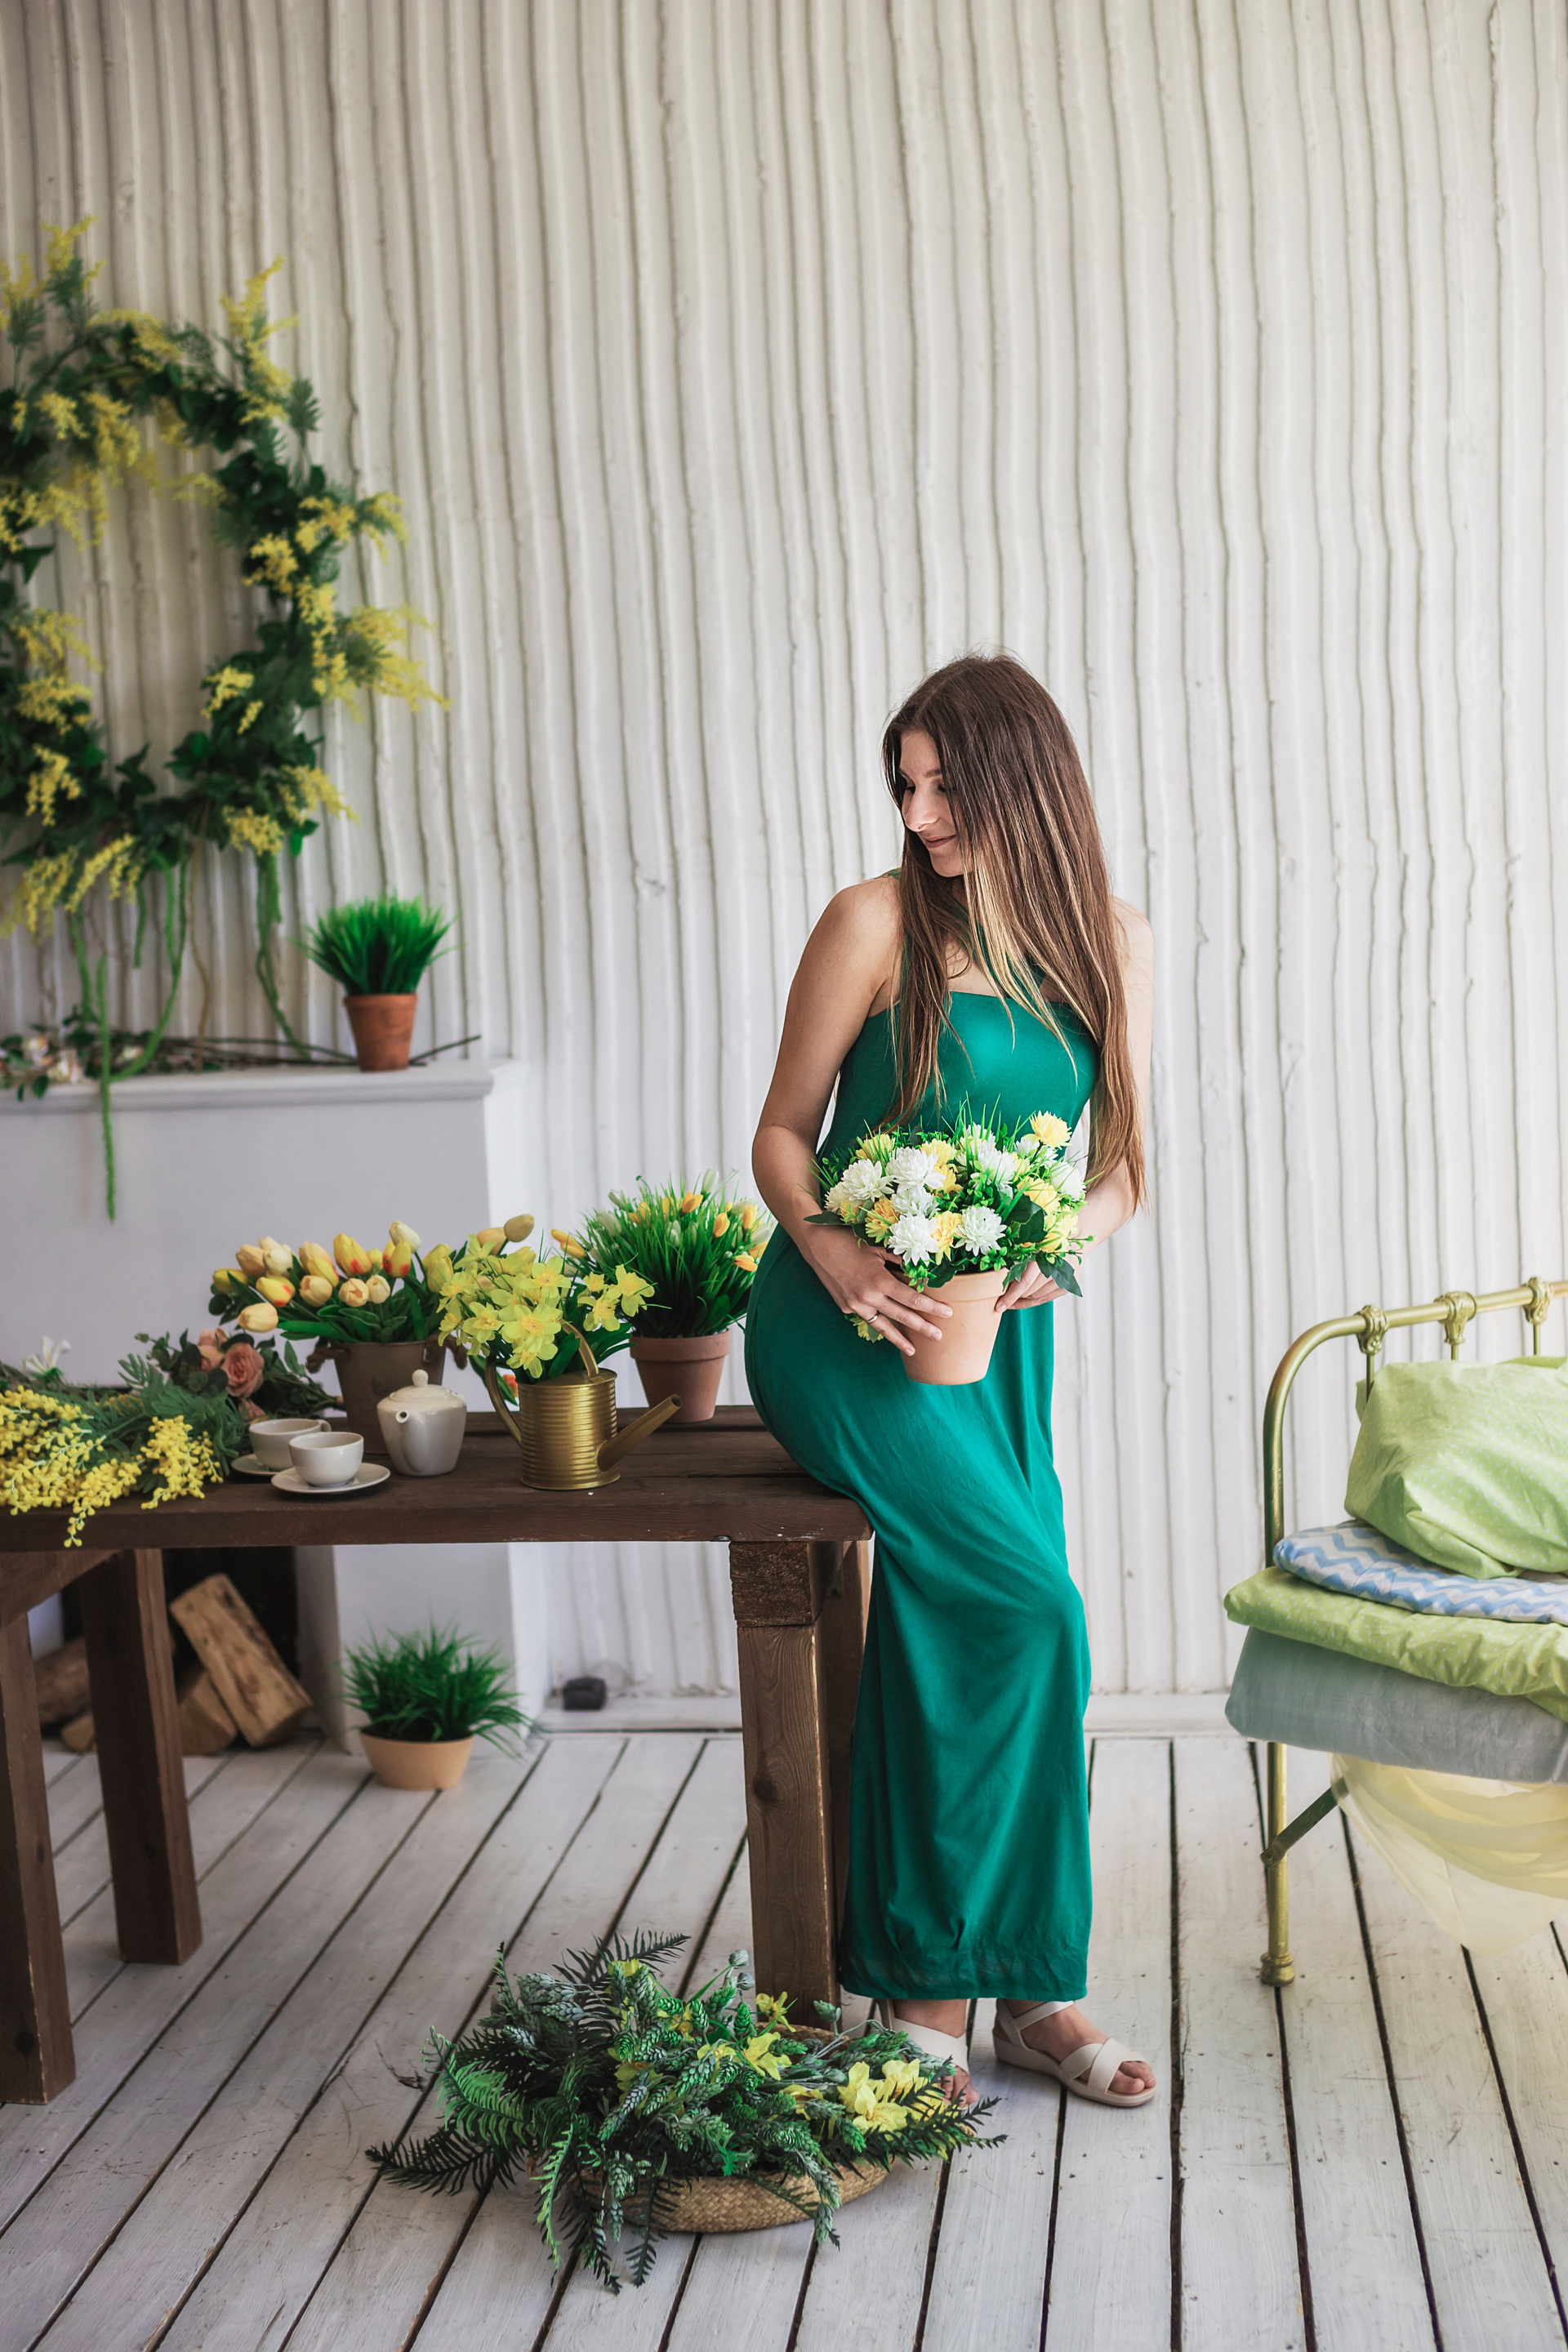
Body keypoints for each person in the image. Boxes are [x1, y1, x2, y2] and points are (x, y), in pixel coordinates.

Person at [745, 652, 1156, 2107]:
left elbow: (1123, 1168)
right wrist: (834, 1252)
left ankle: (1026, 1988)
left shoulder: (1110, 940)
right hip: (840, 1323)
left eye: (943, 787)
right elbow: (782, 1133)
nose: (918, 816)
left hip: (992, 1331)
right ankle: (931, 1990)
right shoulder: (871, 922)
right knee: (1027, 1604)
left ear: (1024, 782)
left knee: (1004, 1623)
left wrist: (1059, 1243)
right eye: (904, 787)